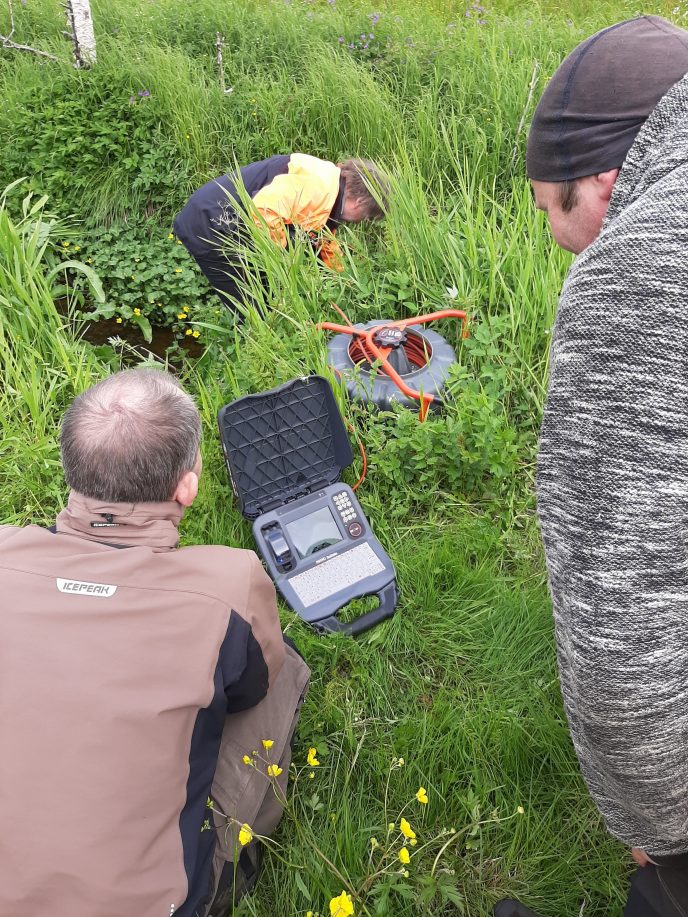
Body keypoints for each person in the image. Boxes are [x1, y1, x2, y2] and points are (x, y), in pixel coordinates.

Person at [493, 15, 688, 917]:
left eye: (552, 210)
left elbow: (622, 620)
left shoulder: (638, 269)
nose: (558, 239)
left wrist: (656, 810)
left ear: (605, 181)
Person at [0, 368, 310, 917]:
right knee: (280, 668)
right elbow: (250, 688)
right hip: (154, 905)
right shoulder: (229, 585)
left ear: (70, 472)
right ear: (187, 485)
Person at [173, 152, 388, 305]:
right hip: (210, 224)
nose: (362, 221)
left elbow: (322, 236)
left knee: (266, 290)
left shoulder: (331, 187)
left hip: (231, 220)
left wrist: (341, 279)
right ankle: (254, 346)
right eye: (367, 216)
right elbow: (265, 209)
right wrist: (280, 262)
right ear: (359, 202)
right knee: (250, 304)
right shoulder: (318, 187)